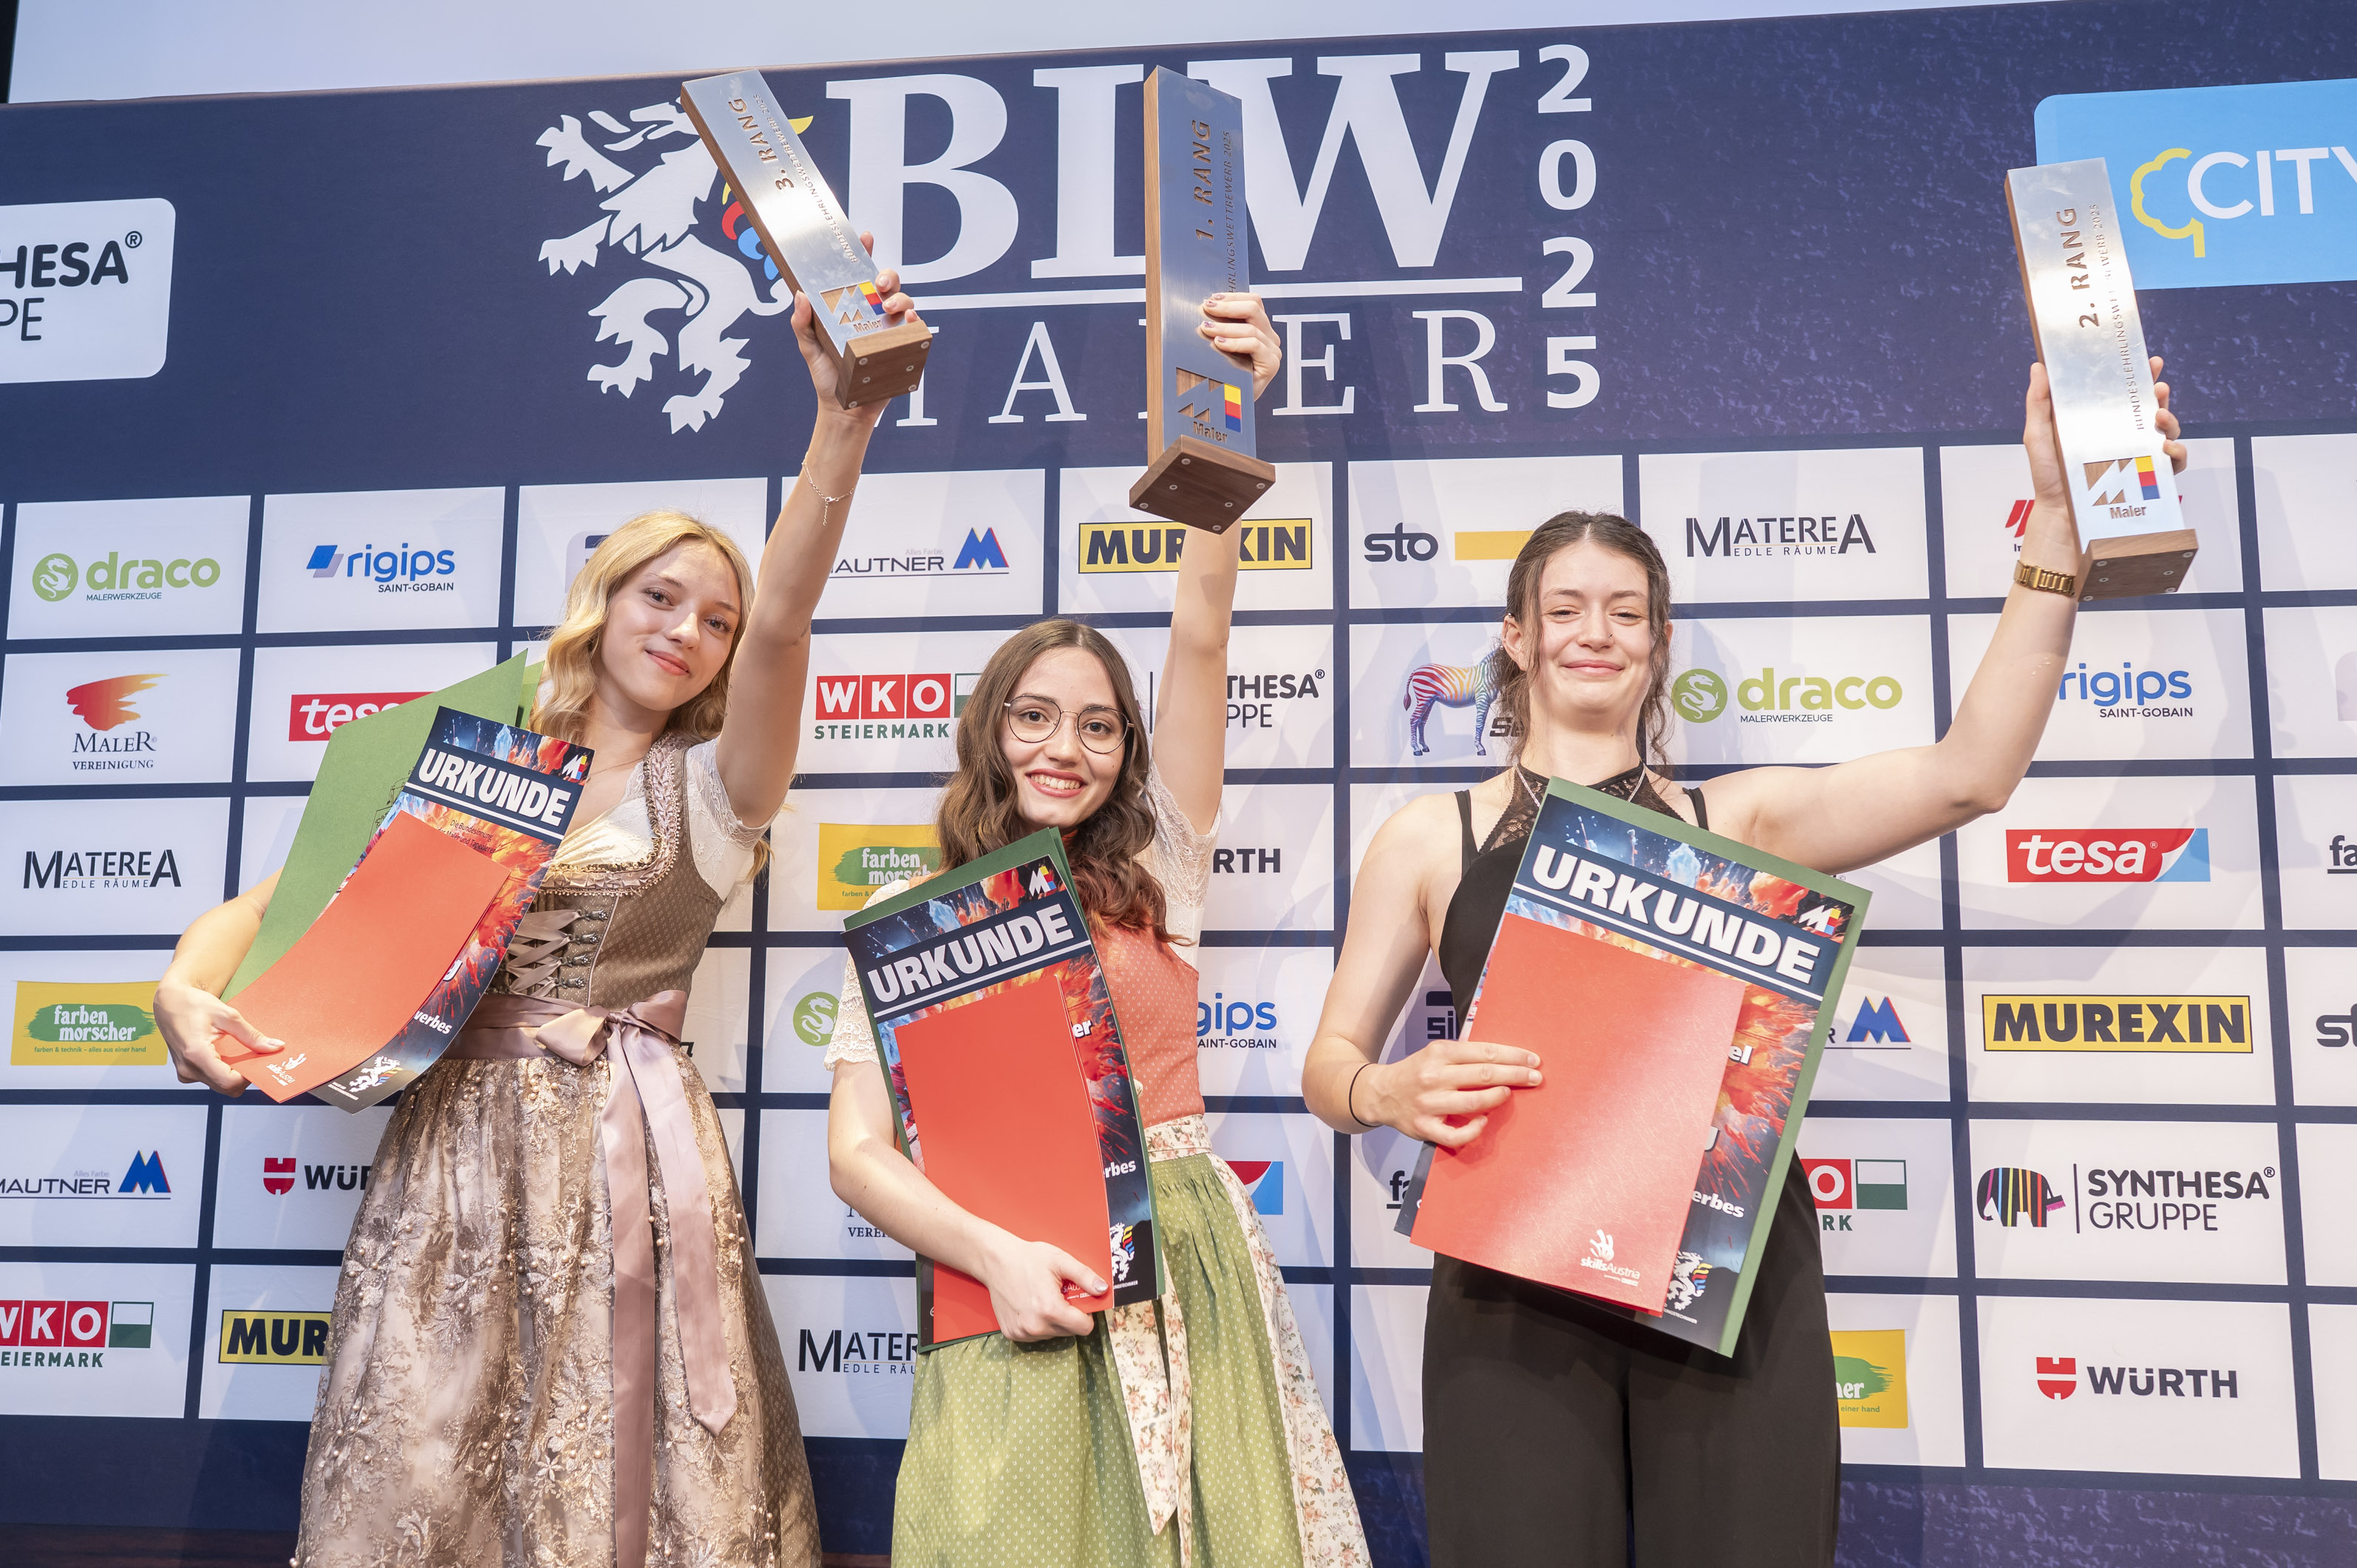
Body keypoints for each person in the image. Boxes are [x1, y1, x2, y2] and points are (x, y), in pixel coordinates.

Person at [1300, 363, 2186, 1566]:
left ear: (1658, 643)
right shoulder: (1429, 835)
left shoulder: (1739, 817)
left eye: (1625, 611)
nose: (1595, 632)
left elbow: (1969, 774)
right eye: (1565, 608)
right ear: (1515, 637)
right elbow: (1329, 1065)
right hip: (1512, 1273)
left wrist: (2058, 527)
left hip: (1722, 1265)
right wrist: (1383, 1089)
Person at [150, 245, 922, 1568]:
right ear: (601, 603)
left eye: (715, 621)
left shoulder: (716, 785)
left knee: (629, 1468)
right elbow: (279, 901)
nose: (686, 630)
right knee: (426, 1459)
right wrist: (181, 986)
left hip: (628, 1147)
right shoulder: (470, 767)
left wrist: (841, 419)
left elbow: (790, 621)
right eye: (660, 595)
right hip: (450, 1147)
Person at [824, 293, 1367, 1567]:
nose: (1063, 746)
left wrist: (1226, 413)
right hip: (1001, 1276)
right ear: (989, 733)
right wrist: (997, 1254)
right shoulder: (919, 925)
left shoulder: (1161, 867)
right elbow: (855, 1152)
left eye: (1098, 723)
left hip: (1180, 1265)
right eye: (1033, 716)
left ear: (1126, 749)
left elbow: (1201, 631)